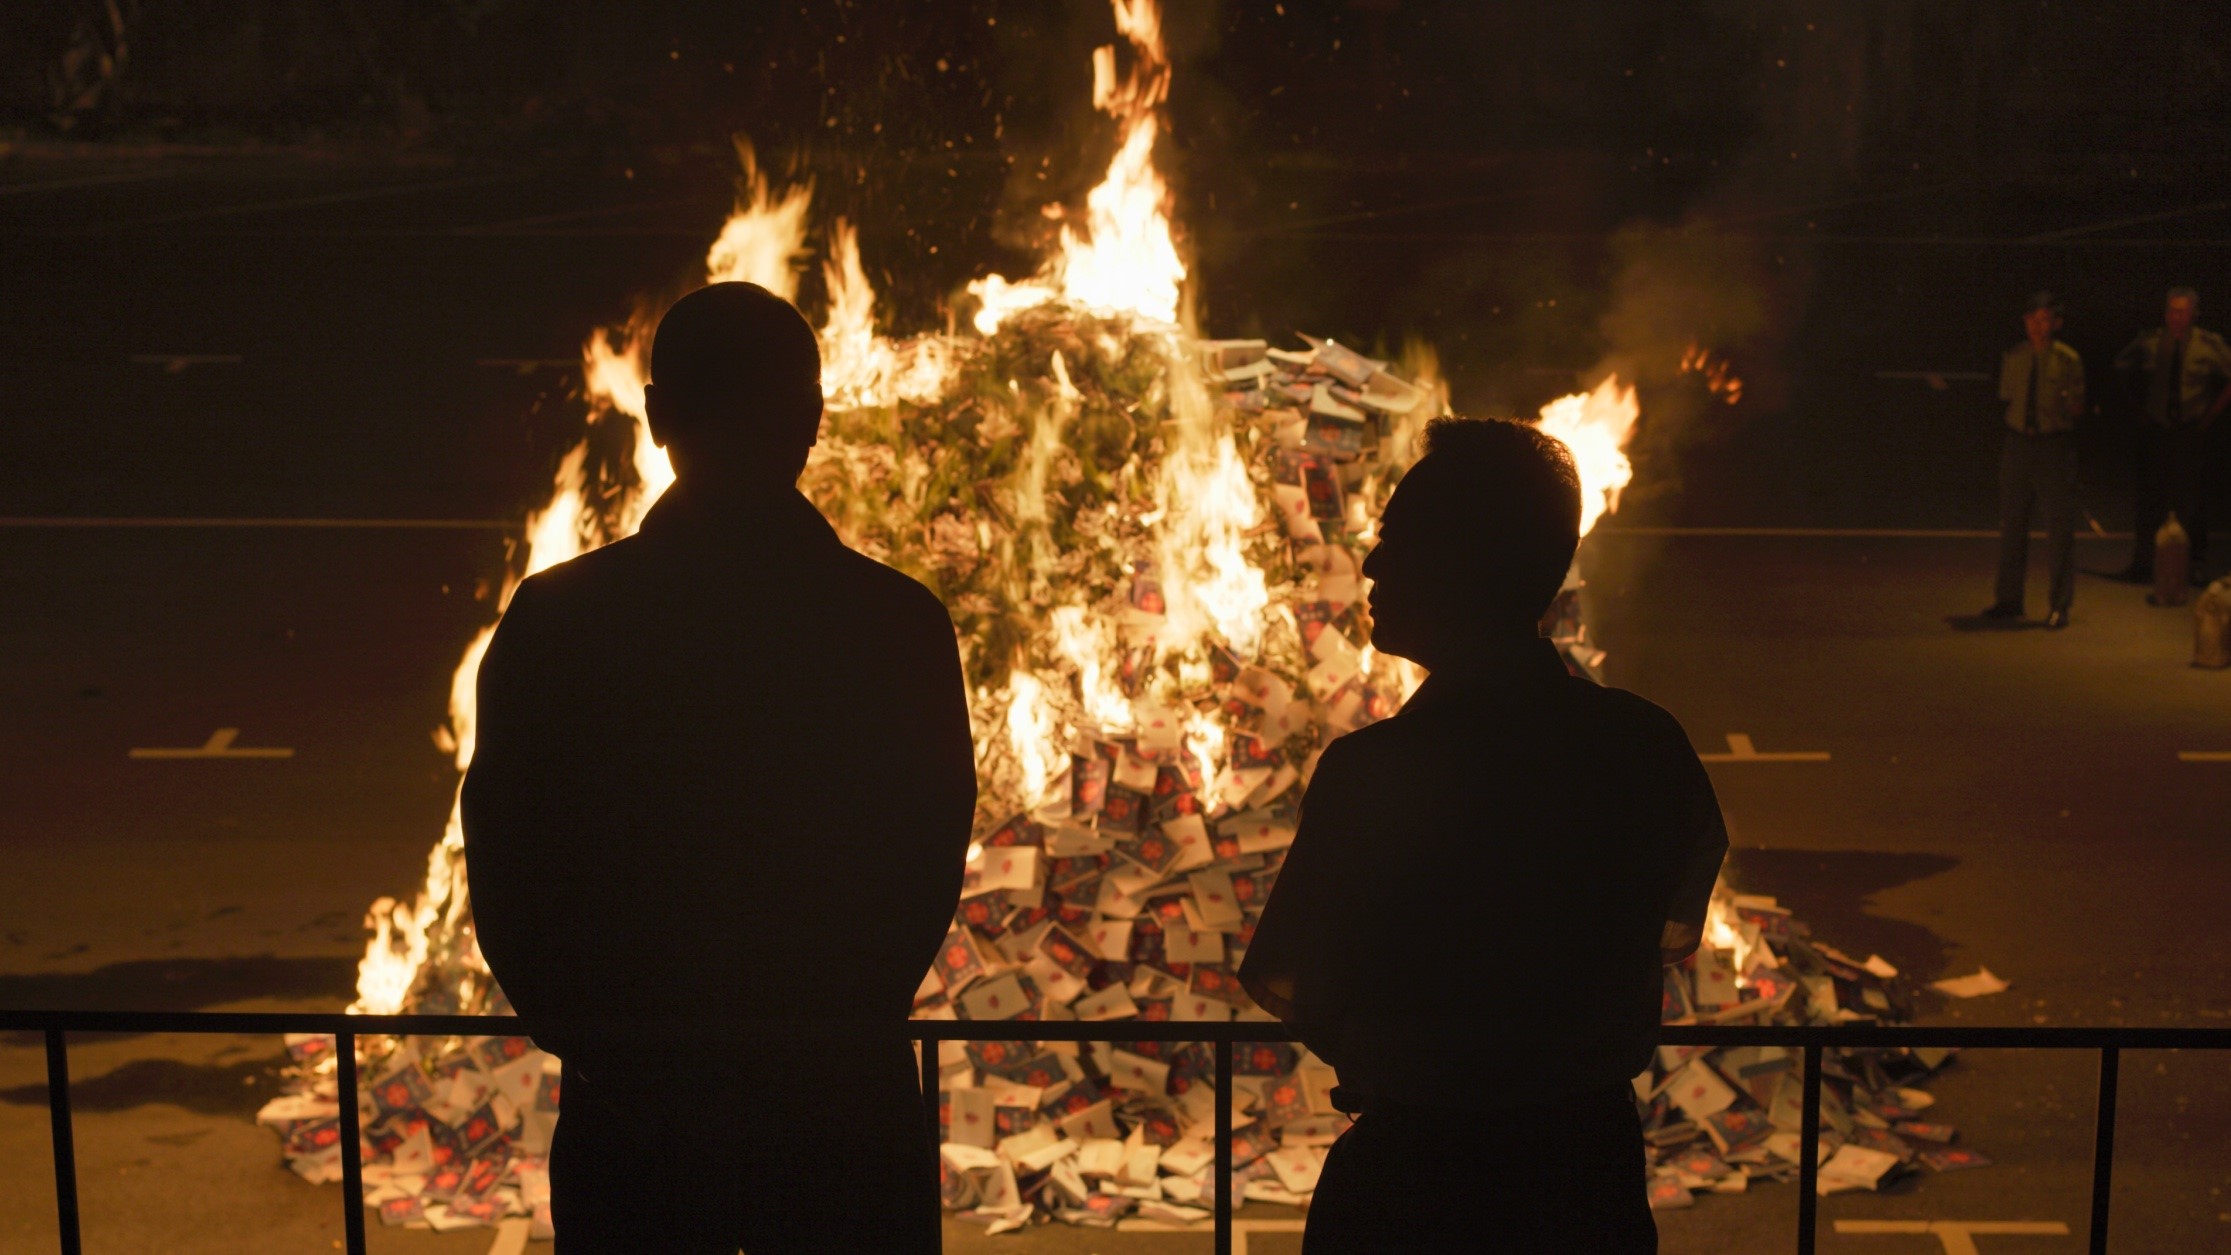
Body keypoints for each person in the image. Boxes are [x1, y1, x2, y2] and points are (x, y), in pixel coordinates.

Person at [461, 282, 976, 1253]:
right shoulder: (894, 624)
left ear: (657, 417)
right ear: (811, 419)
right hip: (839, 1112)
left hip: (637, 1118)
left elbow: (509, 863)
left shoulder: (562, 621)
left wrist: (606, 1040)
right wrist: (831, 1027)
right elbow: (922, 861)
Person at [1239, 417, 1727, 1253]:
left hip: (1412, 1188)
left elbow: (1306, 985)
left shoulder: (1377, 770)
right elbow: (1666, 927)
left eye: (1398, 539)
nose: (1372, 564)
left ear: (1462, 564)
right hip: (1583, 1182)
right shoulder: (1644, 744)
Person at [1982, 291, 2086, 628]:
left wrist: (2069, 406)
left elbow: (2077, 407)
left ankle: (2060, 605)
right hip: (2019, 444)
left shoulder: (2067, 359)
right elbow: (2007, 399)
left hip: (2053, 446)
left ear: (2056, 323)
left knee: (2059, 529)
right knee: (2013, 523)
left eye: (2044, 320)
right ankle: (2009, 598)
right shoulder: (2014, 356)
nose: (2038, 327)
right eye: (2032, 319)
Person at [2115, 287, 2231, 582]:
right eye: (2172, 311)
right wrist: (2137, 407)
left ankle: (2195, 563)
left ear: (2194, 314)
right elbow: (2121, 367)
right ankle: (2143, 562)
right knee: (2150, 497)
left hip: (2190, 428)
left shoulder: (2208, 345)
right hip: (2157, 427)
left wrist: (2212, 414)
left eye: (2183, 311)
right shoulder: (2151, 342)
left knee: (2191, 499)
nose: (2176, 317)